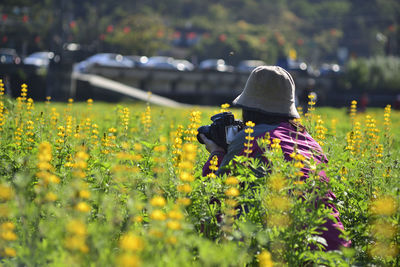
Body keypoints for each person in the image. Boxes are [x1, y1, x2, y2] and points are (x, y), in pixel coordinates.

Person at [199, 65, 350, 251]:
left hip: (292, 251)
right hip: (337, 251)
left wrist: (216, 154)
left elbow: (216, 200)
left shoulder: (251, 138)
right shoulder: (311, 143)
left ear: (249, 108)